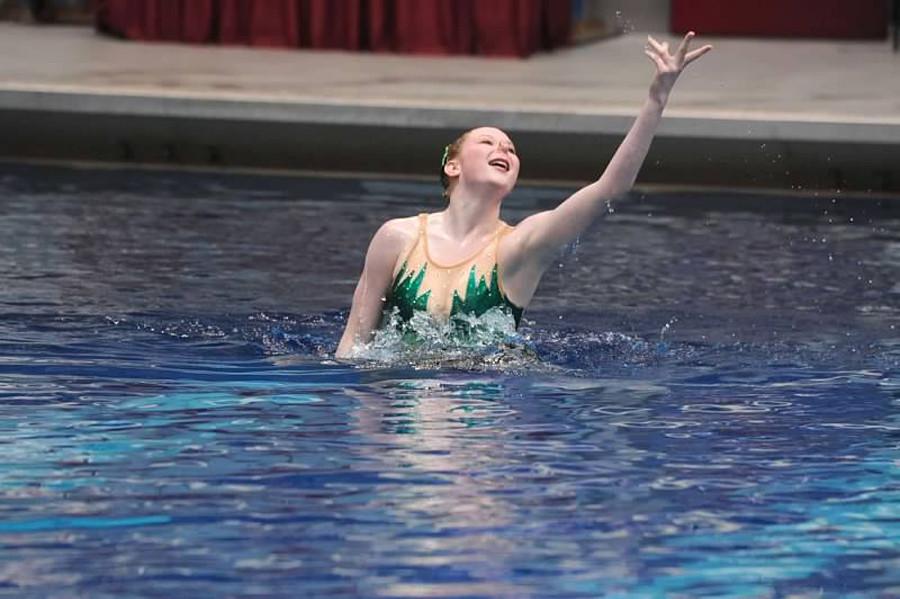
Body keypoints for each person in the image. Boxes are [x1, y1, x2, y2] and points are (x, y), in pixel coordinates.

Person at [336, 32, 713, 359]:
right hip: (402, 418)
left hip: (480, 421)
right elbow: (355, 340)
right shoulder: (396, 238)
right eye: (488, 142)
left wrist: (657, 99)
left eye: (511, 149)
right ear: (453, 166)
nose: (503, 150)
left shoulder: (517, 249)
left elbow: (608, 191)